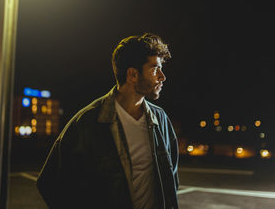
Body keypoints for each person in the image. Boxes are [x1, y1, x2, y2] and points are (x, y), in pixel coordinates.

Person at [36, 33, 179, 209]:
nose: (162, 77)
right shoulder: (85, 123)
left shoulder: (161, 119)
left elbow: (171, 180)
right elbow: (50, 184)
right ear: (133, 74)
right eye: (155, 69)